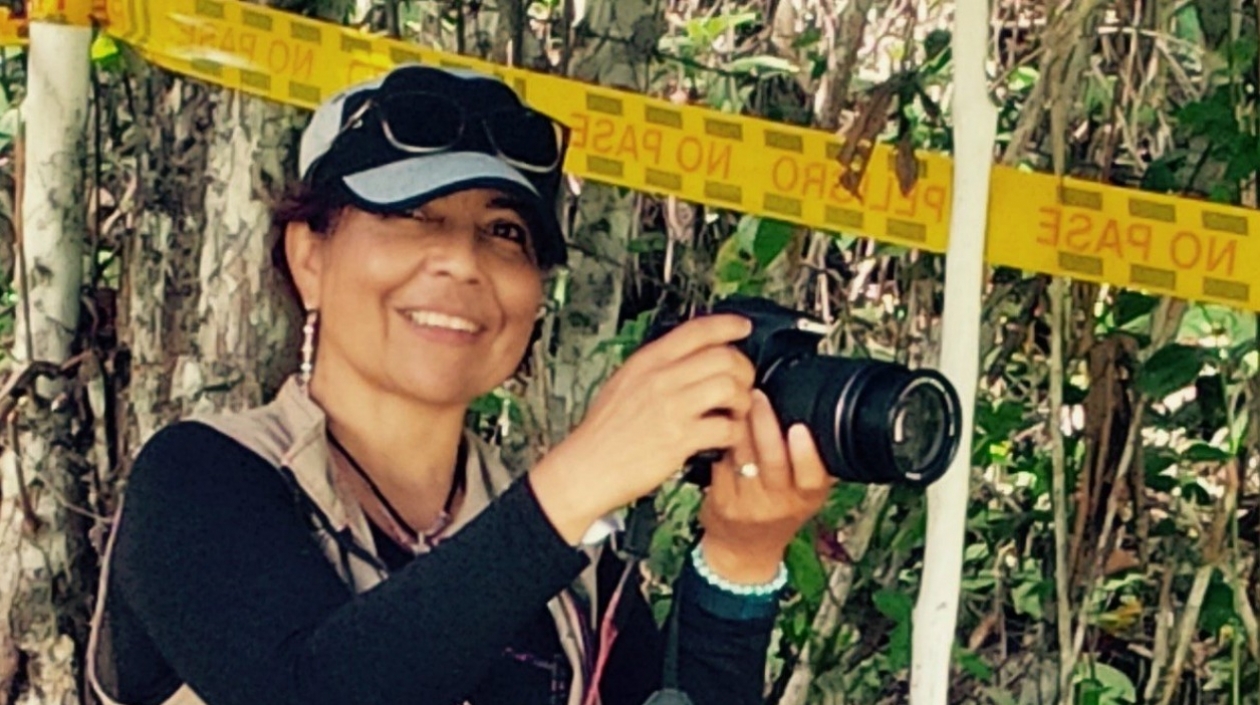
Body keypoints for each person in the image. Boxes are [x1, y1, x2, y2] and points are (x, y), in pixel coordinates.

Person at [86, 64, 834, 705]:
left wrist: (739, 557)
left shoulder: (573, 568)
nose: (461, 261)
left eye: (504, 232)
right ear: (308, 258)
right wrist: (578, 483)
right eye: (411, 216)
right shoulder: (204, 476)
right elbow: (305, 688)